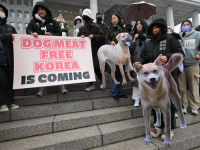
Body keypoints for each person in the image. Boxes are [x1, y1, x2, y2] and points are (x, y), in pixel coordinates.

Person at [135, 18, 184, 140]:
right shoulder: (147, 42)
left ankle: (169, 128)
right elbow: (142, 56)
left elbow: (180, 52)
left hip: (166, 74)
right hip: (150, 78)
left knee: (168, 102)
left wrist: (167, 57)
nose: (155, 30)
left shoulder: (171, 38)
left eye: (157, 27)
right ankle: (159, 126)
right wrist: (139, 62)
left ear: (162, 27)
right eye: (152, 28)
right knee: (152, 103)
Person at [26, 1, 67, 96]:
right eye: (38, 9)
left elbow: (59, 33)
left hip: (52, 51)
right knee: (42, 68)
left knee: (57, 67)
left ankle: (62, 86)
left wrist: (52, 35)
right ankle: (42, 88)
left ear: (47, 10)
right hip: (39, 51)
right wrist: (32, 33)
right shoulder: (33, 22)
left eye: (42, 9)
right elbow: (28, 30)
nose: (40, 11)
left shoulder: (54, 22)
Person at [77, 9, 105, 91]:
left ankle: (101, 81)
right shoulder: (82, 28)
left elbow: (102, 37)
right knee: (88, 68)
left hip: (94, 50)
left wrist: (94, 36)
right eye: (84, 17)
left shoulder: (96, 27)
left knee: (96, 67)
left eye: (86, 17)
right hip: (85, 52)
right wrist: (81, 37)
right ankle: (91, 84)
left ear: (90, 18)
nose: (85, 18)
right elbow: (78, 38)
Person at [178, 20, 200, 115]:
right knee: (181, 87)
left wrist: (199, 54)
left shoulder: (197, 34)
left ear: (191, 26)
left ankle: (194, 106)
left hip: (193, 63)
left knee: (194, 86)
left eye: (188, 25)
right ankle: (184, 105)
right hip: (180, 64)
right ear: (181, 27)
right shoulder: (178, 36)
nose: (186, 26)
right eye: (184, 25)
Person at [0, 4, 19, 112]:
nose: (1, 11)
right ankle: (2, 103)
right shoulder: (9, 31)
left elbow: (17, 41)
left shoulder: (11, 27)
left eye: (2, 10)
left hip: (10, 60)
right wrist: (8, 36)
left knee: (10, 81)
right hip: (0, 60)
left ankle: (10, 101)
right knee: (2, 82)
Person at [105, 14, 128, 100]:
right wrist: (110, 42)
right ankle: (115, 93)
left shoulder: (124, 30)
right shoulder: (109, 30)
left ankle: (120, 92)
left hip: (122, 55)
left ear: (119, 19)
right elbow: (106, 40)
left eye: (114, 18)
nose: (113, 20)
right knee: (114, 74)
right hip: (113, 55)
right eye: (112, 19)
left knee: (121, 74)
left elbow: (128, 43)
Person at [129, 19, 148, 107]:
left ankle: (145, 99)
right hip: (135, 60)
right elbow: (130, 50)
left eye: (140, 24)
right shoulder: (132, 35)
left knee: (145, 80)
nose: (139, 25)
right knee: (136, 80)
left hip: (145, 61)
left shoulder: (147, 35)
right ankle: (136, 99)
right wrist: (134, 39)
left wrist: (143, 38)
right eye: (137, 24)